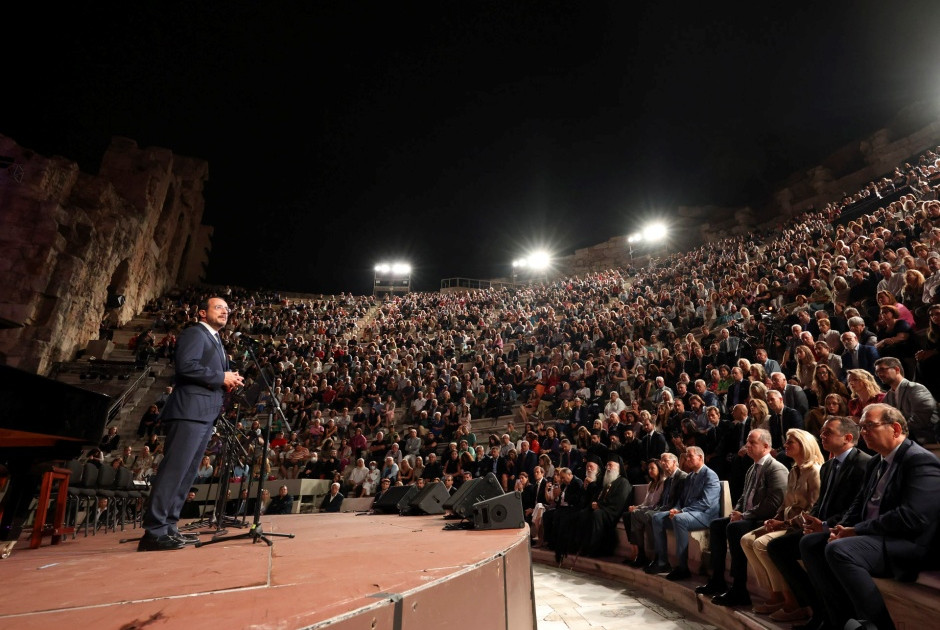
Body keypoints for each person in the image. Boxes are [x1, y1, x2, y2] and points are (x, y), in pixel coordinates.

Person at [800, 404, 940, 630]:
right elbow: (859, 504)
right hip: (874, 536)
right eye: (861, 427)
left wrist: (857, 531)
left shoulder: (919, 460)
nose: (863, 432)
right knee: (811, 543)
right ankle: (838, 620)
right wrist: (839, 527)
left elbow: (913, 517)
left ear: (895, 428)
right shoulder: (876, 461)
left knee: (839, 549)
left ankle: (879, 625)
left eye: (869, 426)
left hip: (907, 542)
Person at [139, 296, 243, 552]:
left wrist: (228, 380)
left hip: (204, 414)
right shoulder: (196, 333)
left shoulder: (217, 341)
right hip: (188, 411)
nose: (224, 312)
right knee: (174, 471)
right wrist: (222, 376)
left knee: (187, 474)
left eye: (227, 309)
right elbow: (186, 367)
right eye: (218, 307)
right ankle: (153, 531)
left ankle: (170, 526)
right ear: (201, 313)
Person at [765, 416, 872, 630]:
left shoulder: (864, 463)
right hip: (821, 526)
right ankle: (816, 607)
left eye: (828, 432)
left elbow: (855, 507)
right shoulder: (829, 465)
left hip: (840, 528)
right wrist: (809, 521)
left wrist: (824, 524)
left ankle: (832, 617)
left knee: (810, 545)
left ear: (848, 438)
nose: (822, 436)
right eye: (822, 432)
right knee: (776, 547)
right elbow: (819, 504)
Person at [740, 429, 823, 623]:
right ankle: (775, 594)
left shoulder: (814, 471)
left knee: (762, 544)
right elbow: (786, 504)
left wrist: (783, 523)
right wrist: (774, 519)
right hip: (786, 521)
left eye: (790, 442)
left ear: (804, 445)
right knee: (746, 539)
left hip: (799, 525)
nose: (785, 445)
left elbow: (813, 509)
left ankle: (791, 600)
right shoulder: (794, 470)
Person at [699, 429, 788, 606]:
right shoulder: (752, 468)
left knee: (734, 528)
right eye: (747, 441)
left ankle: (740, 589)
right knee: (717, 525)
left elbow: (773, 503)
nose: (747, 445)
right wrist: (736, 512)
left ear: (766, 446)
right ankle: (717, 579)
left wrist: (744, 515)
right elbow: (743, 496)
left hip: (765, 519)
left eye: (752, 442)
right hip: (748, 516)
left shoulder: (776, 468)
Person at [647, 446, 721, 579]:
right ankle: (662, 562)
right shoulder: (690, 476)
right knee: (657, 518)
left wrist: (681, 511)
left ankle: (682, 568)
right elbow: (681, 499)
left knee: (679, 519)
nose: (687, 459)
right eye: (686, 456)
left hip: (705, 515)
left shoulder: (710, 475)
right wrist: (675, 509)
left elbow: (706, 503)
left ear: (700, 457)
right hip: (688, 512)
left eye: (690, 456)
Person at [577, 454, 633, 557]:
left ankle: (594, 550)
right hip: (604, 510)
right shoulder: (607, 482)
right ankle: (583, 547)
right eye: (607, 465)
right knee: (583, 513)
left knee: (597, 514)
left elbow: (619, 502)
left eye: (610, 465)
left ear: (618, 467)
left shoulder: (623, 482)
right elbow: (599, 497)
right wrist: (595, 504)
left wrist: (600, 506)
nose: (608, 468)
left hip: (613, 512)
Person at [876, 356, 940, 444]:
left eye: (882, 370)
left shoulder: (915, 388)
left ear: (897, 369)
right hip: (904, 438)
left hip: (924, 436)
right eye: (877, 372)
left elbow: (922, 417)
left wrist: (899, 431)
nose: (880, 374)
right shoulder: (887, 397)